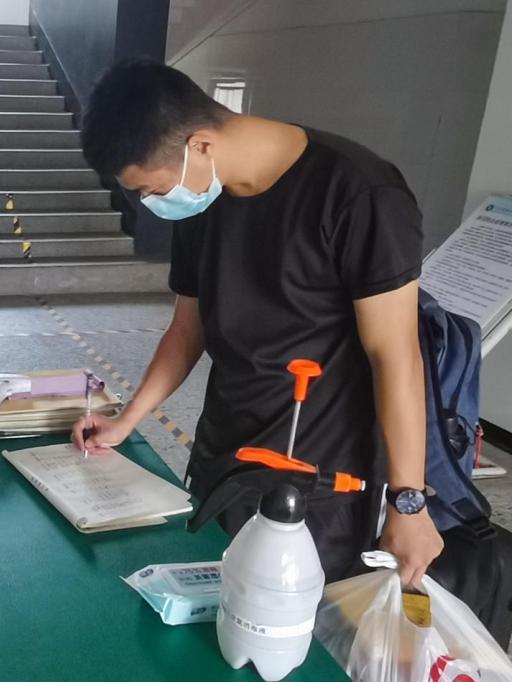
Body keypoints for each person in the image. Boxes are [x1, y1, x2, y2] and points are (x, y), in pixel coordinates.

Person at [72, 60, 443, 585]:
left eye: (152, 190)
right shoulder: (204, 200)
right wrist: (127, 420)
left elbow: (396, 355)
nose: (151, 204)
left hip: (318, 481)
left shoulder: (358, 193)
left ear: (200, 145)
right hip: (223, 460)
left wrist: (409, 501)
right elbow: (187, 330)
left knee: (294, 619)